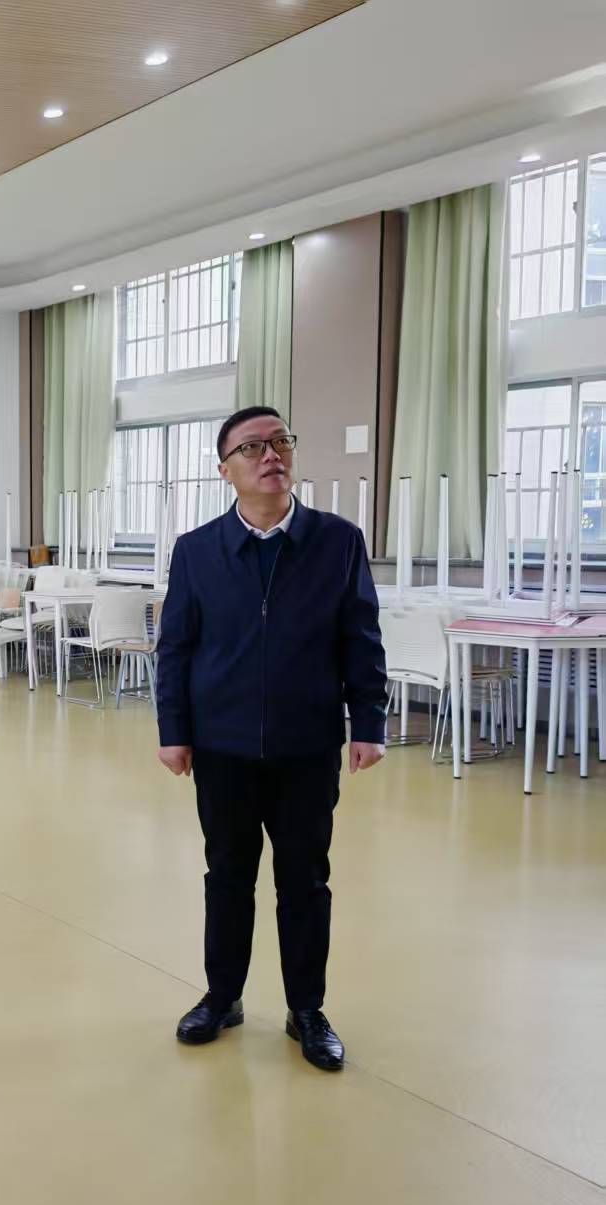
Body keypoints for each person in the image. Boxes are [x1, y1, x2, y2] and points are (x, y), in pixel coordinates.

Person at [155, 406, 387, 1073]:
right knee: (228, 875)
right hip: (222, 746)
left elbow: (361, 637)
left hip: (306, 746)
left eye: (280, 441)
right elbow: (176, 648)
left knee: (305, 881)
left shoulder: (337, 541)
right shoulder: (197, 550)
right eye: (252, 447)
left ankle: (306, 1010)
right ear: (225, 469)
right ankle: (222, 996)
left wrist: (369, 722)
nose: (271, 454)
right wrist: (174, 730)